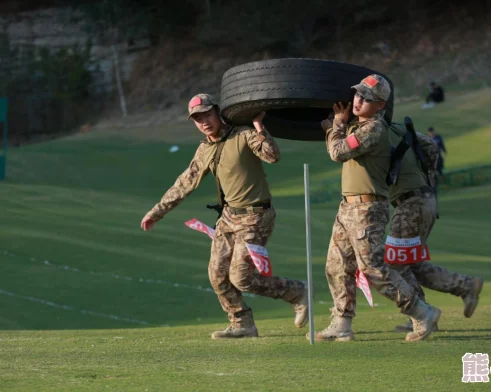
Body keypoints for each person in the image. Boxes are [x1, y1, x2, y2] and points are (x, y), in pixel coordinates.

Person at [140, 93, 309, 339]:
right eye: (197, 118)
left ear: (218, 112)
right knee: (217, 275)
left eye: (207, 114)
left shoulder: (243, 133)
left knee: (241, 277)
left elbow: (272, 156)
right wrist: (156, 213)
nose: (204, 121)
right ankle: (242, 324)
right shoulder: (205, 149)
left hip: (256, 215)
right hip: (229, 218)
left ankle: (297, 292)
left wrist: (259, 126)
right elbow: (184, 184)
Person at [315, 74, 441, 343]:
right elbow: (337, 141)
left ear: (381, 105)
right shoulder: (355, 126)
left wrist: (336, 125)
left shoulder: (374, 129)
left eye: (367, 98)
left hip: (368, 208)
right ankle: (342, 323)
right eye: (357, 94)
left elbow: (337, 152)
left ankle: (421, 312)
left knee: (373, 269)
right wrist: (335, 126)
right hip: (346, 206)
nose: (358, 101)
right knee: (337, 266)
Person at [386, 122, 484, 332]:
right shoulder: (401, 131)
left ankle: (423, 314)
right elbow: (430, 145)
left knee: (395, 264)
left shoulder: (378, 131)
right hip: (424, 199)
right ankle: (465, 286)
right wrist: (427, 169)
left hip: (409, 205)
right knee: (411, 264)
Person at [427, 126, 447, 194]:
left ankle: (441, 185)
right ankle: (434, 188)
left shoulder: (438, 138)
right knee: (433, 173)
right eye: (430, 132)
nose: (431, 133)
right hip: (431, 159)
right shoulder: (427, 139)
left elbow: (442, 146)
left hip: (439, 158)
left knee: (439, 172)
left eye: (432, 132)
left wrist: (444, 152)